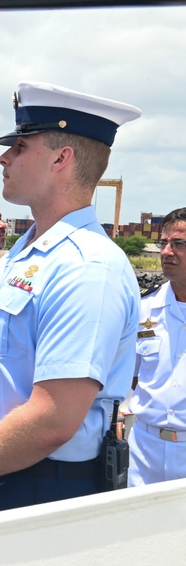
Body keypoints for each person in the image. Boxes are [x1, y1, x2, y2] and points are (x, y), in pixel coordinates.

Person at [0, 81, 141, 514]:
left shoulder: (87, 267)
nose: (4, 157)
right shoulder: (22, 254)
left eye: (19, 146)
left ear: (61, 158)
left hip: (47, 488)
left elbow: (53, 418)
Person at [128, 207, 186, 485]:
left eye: (179, 244)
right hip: (144, 451)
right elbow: (132, 374)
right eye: (163, 243)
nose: (166, 252)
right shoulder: (143, 307)